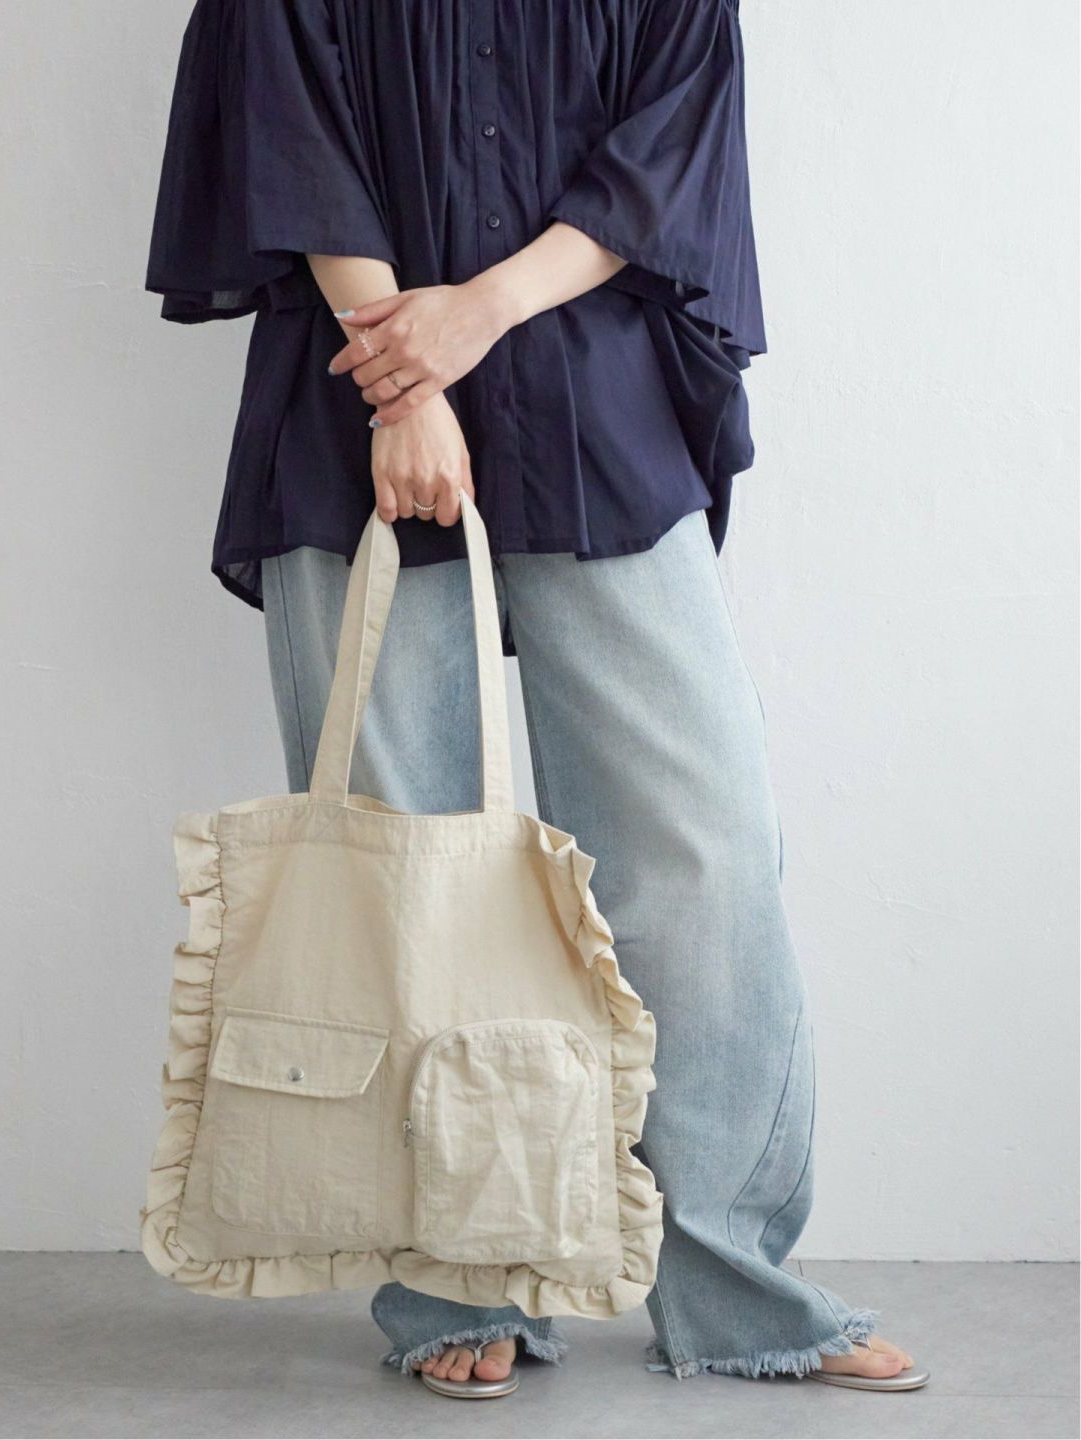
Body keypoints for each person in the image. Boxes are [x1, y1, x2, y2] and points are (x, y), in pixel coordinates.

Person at [146, 0, 929, 1396]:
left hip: (593, 391)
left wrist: (482, 309)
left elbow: (671, 136)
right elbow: (288, 133)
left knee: (701, 849)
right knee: (410, 860)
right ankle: (459, 1279)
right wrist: (405, 389)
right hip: (354, 400)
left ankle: (735, 1283)